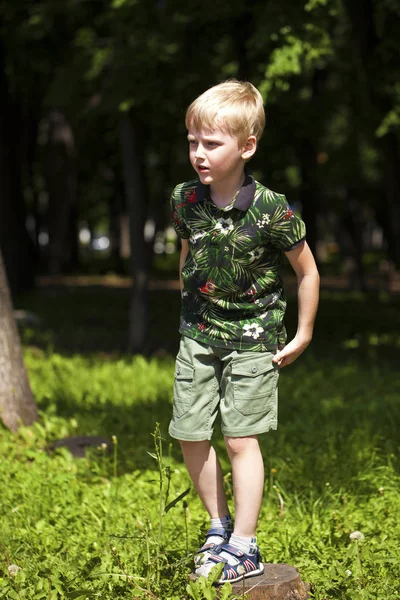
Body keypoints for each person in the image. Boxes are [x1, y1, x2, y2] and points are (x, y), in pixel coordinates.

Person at [168, 80, 319, 584]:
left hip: (254, 340)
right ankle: (218, 527)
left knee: (239, 440)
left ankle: (245, 545)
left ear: (246, 146)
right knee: (189, 432)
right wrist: (188, 301)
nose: (199, 153)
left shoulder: (271, 209)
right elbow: (189, 252)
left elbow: (309, 272)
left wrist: (303, 334)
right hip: (199, 334)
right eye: (193, 141)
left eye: (211, 143)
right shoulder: (185, 199)